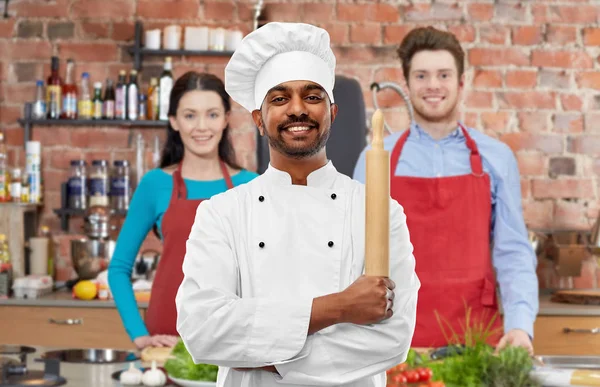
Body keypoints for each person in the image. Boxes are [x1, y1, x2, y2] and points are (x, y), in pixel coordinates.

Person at [175, 22, 420, 387]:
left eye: (312, 96)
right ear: (259, 119)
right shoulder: (222, 213)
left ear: (332, 112)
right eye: (279, 98)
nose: (297, 109)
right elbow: (202, 328)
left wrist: (271, 358)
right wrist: (339, 308)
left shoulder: (380, 212)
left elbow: (393, 337)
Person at [353, 26, 539, 354]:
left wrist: (520, 326)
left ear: (461, 83)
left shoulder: (496, 158)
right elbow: (352, 256)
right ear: (408, 84)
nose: (433, 85)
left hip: (478, 339)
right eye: (422, 76)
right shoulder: (375, 160)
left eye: (443, 75)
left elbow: (513, 251)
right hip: (398, 341)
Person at [108, 71, 258, 350]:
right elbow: (118, 269)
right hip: (166, 335)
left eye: (212, 115)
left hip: (231, 338)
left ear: (226, 119)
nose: (202, 126)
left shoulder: (251, 186)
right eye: (190, 116)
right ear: (174, 122)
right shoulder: (155, 184)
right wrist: (140, 337)